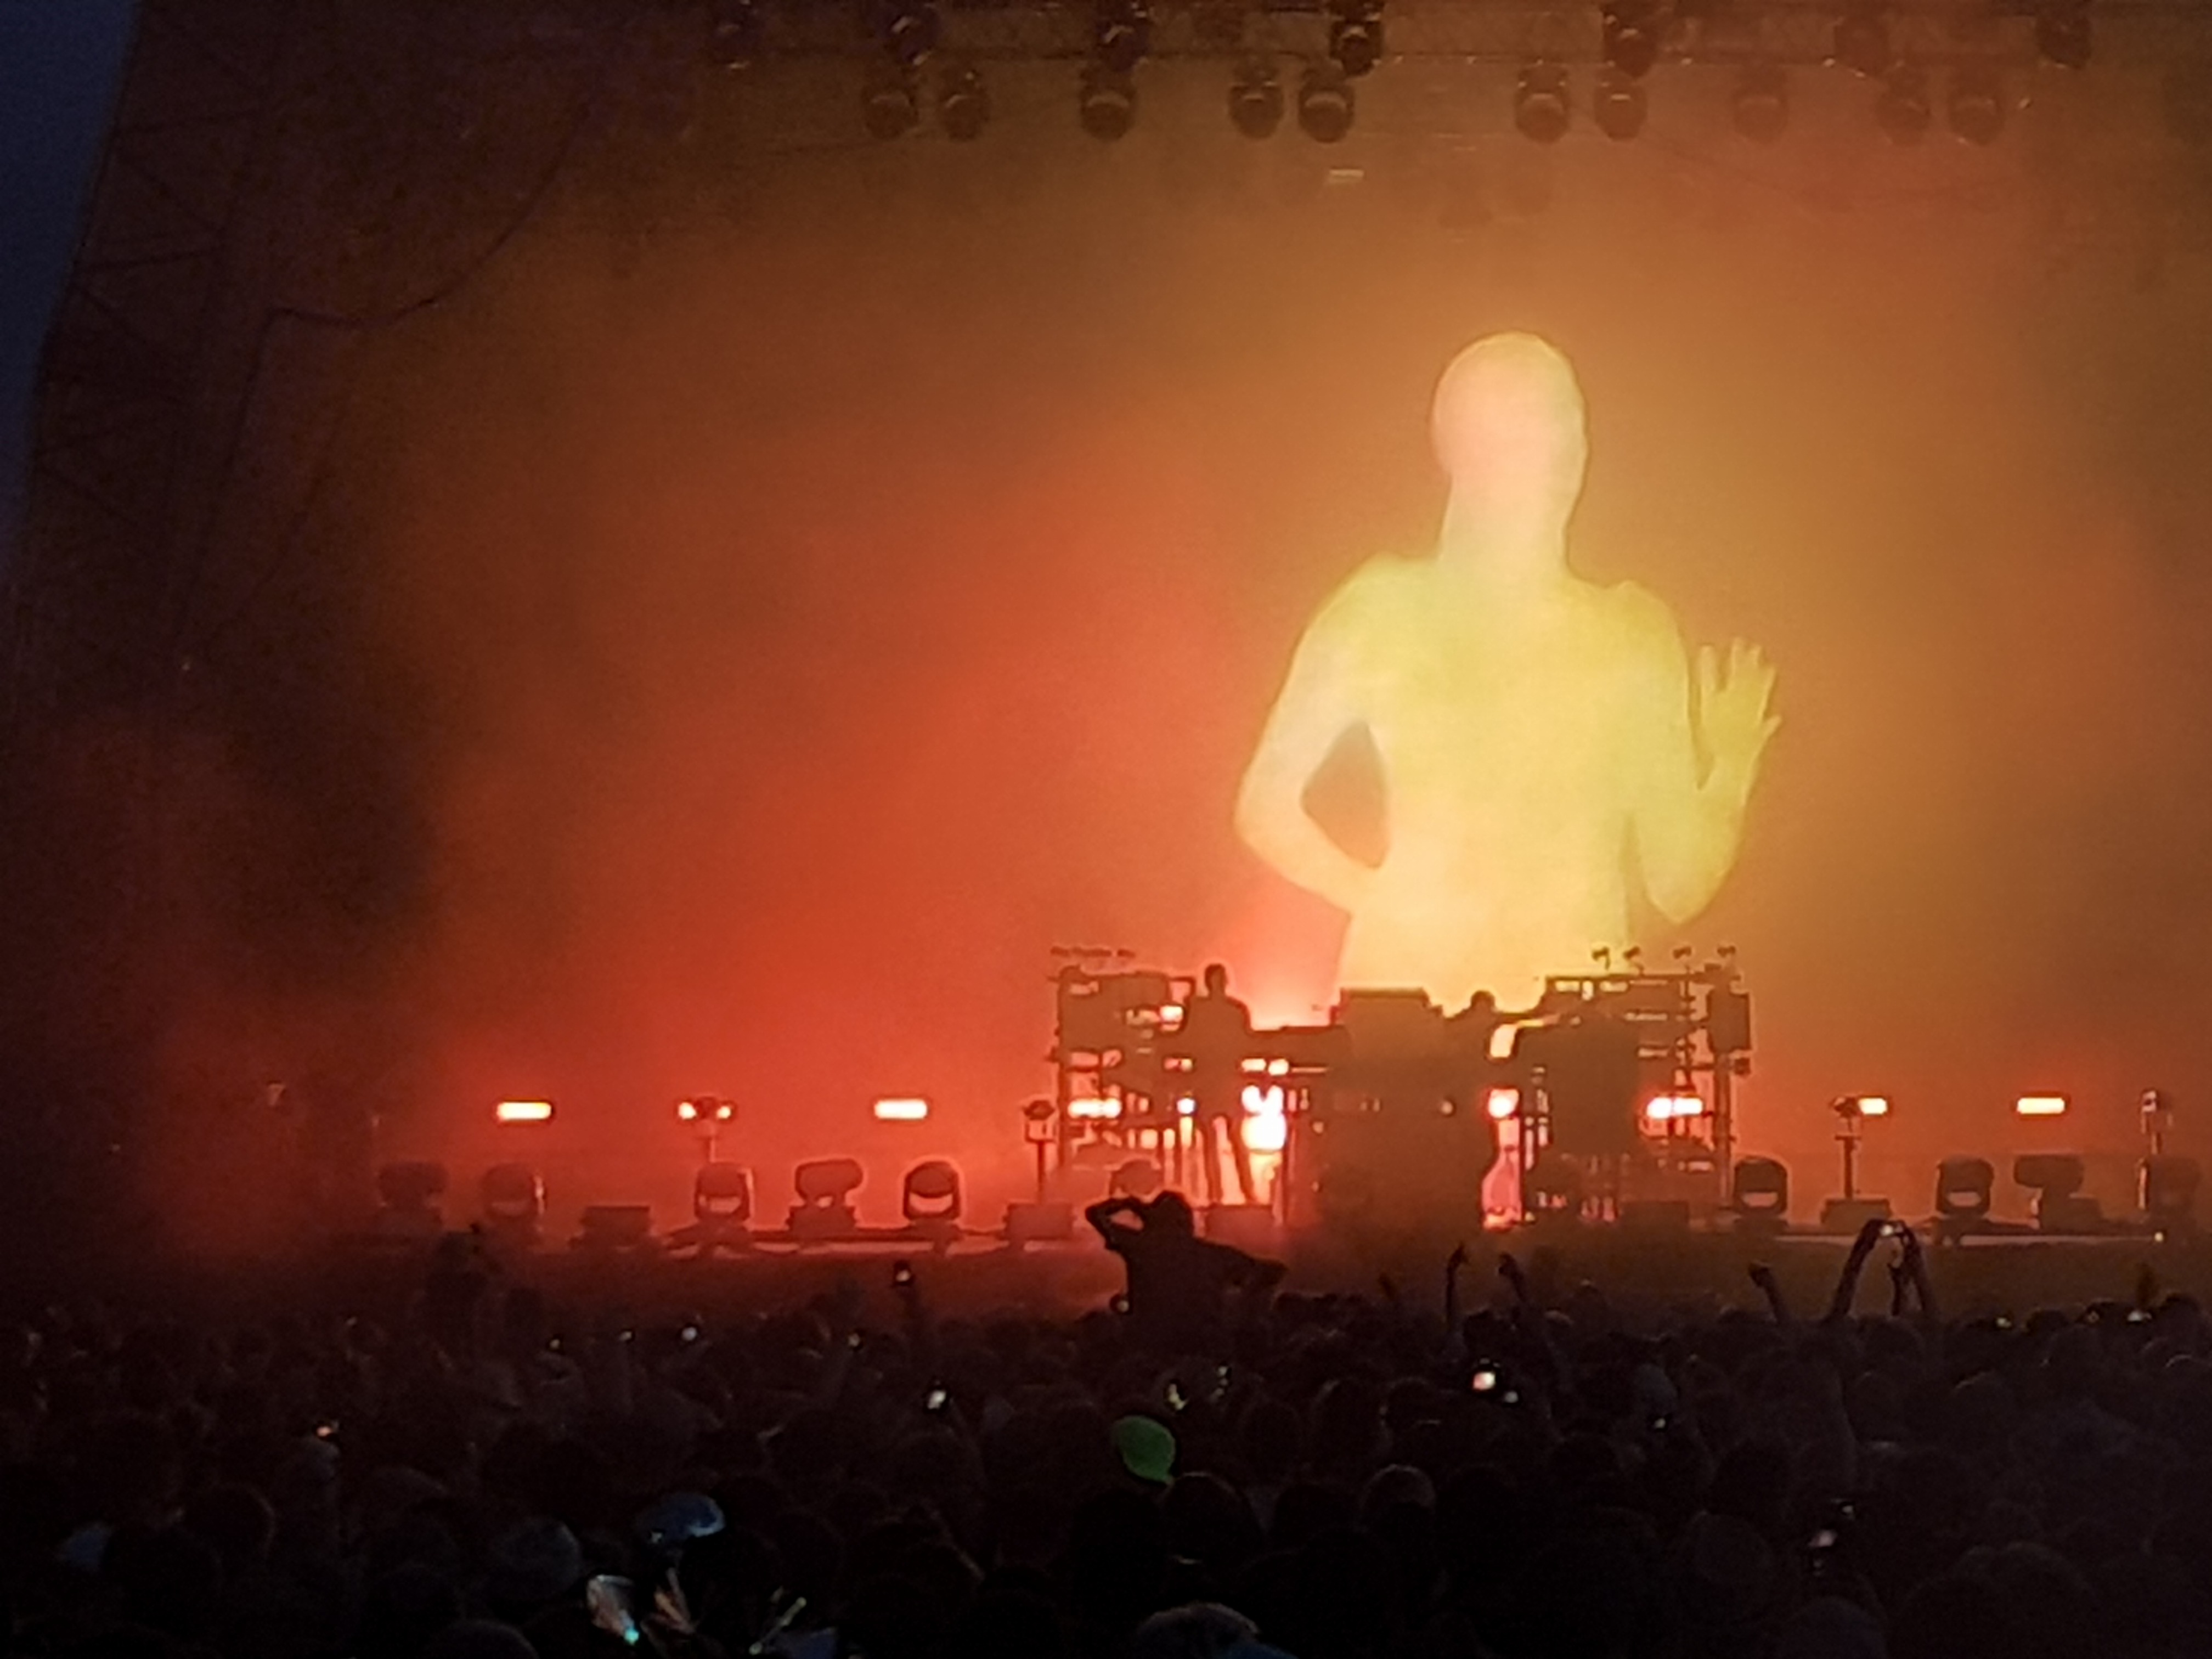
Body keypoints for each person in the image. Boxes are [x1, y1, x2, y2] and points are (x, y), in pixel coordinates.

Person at [1235, 332, 1779, 1009]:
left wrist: (1729, 770)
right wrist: (1383, 900)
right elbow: (1265, 807)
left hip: (1568, 1013)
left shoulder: (1630, 635)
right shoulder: (1381, 611)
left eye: (1567, 428)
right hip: (1417, 1004)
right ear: (1458, 448)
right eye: (1522, 429)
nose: (1555, 453)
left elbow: (1676, 882)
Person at [1084, 1189, 1282, 1353]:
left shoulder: (1141, 1247)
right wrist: (1243, 1309)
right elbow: (1273, 1272)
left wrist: (1129, 1204)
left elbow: (1095, 1215)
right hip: (1203, 1345)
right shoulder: (1213, 1255)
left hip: (1151, 1345)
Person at [1177, 962, 1258, 1206]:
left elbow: (1186, 1041)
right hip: (1224, 1078)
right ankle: (1242, 1193)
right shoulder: (1235, 1010)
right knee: (1231, 1139)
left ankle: (1222, 1194)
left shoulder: (1199, 1010)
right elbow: (1248, 1043)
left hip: (1211, 1078)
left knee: (1218, 1140)